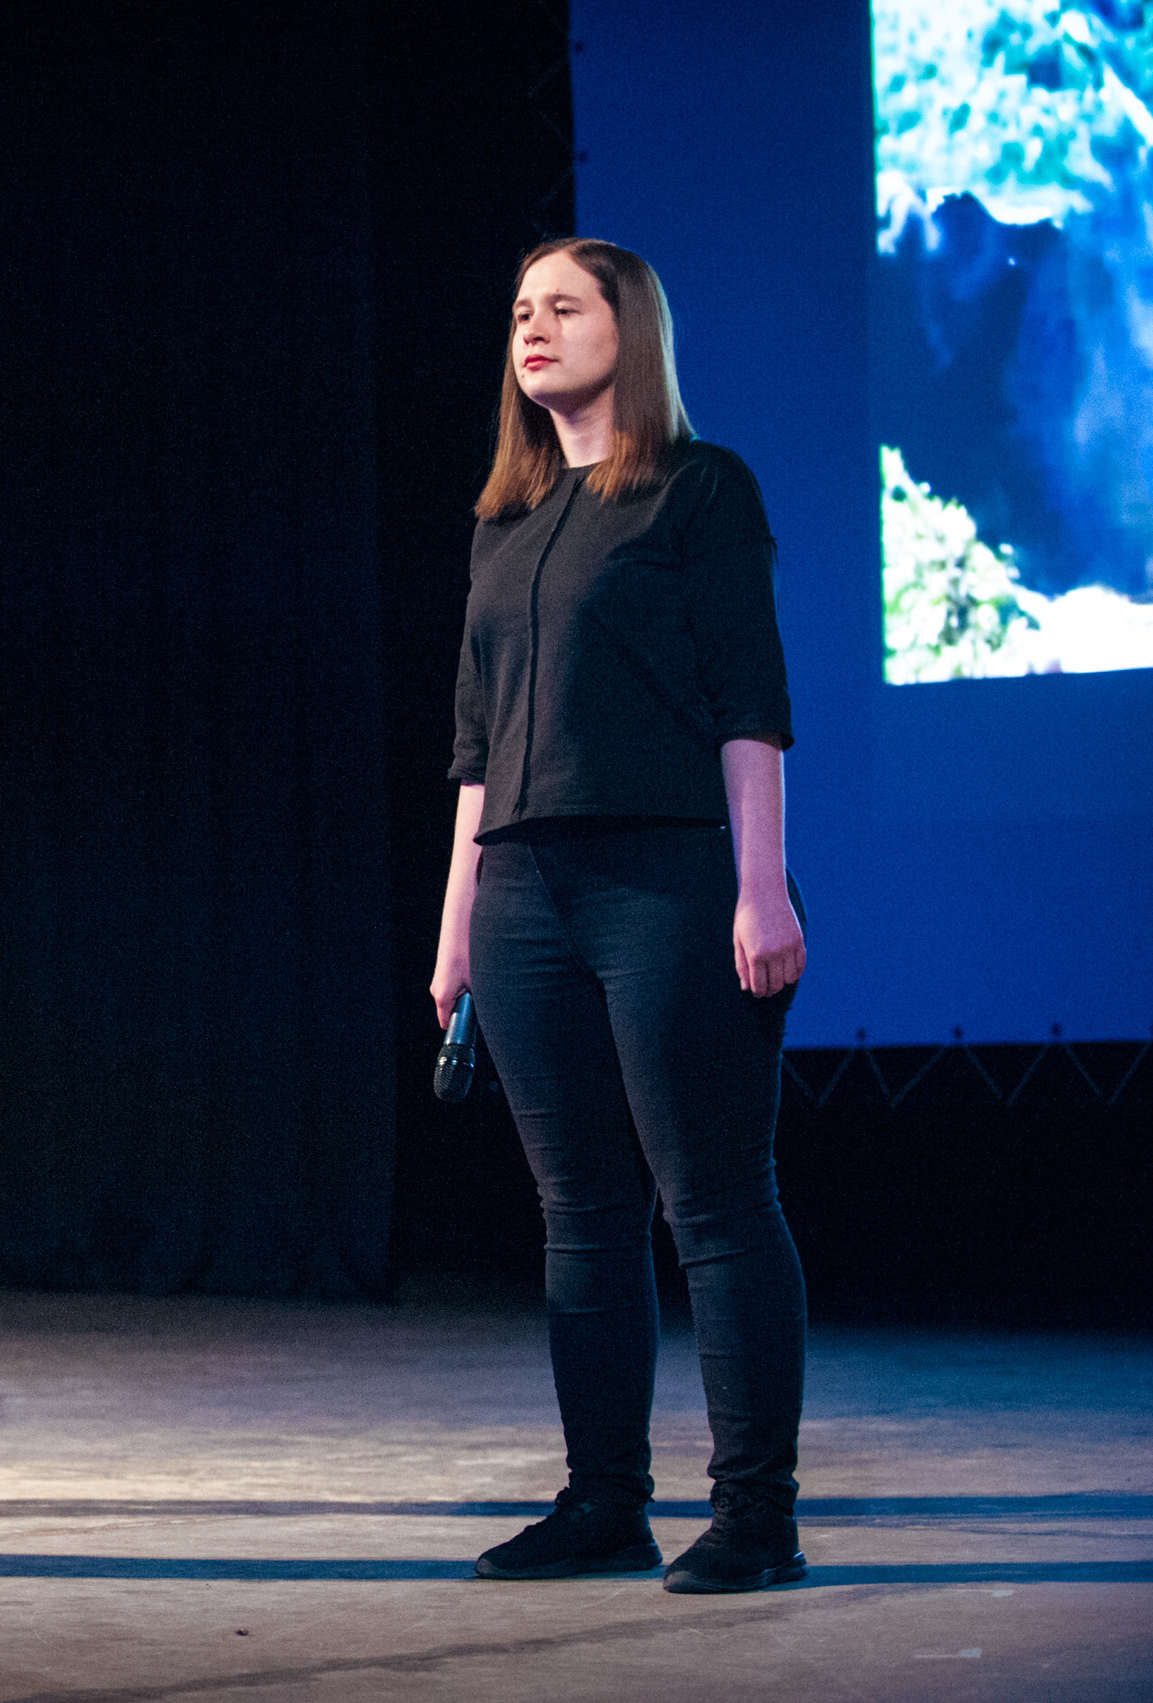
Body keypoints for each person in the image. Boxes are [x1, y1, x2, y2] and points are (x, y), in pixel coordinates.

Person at [432, 238, 811, 1595]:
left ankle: (755, 1511)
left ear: (629, 327)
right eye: (520, 306)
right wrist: (456, 923)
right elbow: (475, 745)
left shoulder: (701, 489)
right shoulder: (508, 517)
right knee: (578, 1208)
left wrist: (761, 887)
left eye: (565, 305)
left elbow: (750, 701)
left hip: (673, 874)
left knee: (712, 1199)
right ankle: (605, 1499)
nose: (532, 325)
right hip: (526, 886)